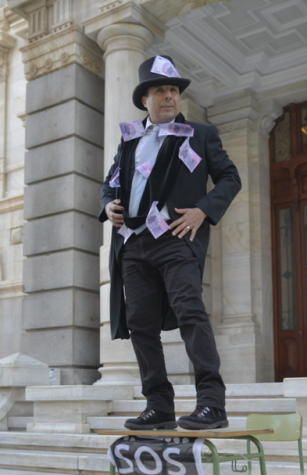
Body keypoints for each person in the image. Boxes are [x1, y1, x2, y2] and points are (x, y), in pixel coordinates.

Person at [100, 55, 241, 431]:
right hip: (133, 245)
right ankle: (158, 405)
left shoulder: (201, 134)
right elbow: (110, 183)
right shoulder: (128, 141)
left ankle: (212, 404)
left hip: (176, 239)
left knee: (191, 313)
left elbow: (230, 179)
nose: (168, 97)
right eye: (160, 90)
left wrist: (203, 211)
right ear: (144, 99)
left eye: (173, 90)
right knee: (141, 325)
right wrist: (107, 205)